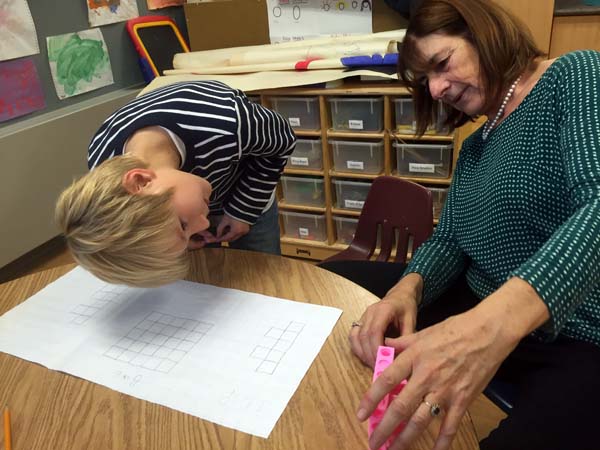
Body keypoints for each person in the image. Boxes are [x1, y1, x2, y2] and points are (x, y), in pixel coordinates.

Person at [346, 1, 600, 449]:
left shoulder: (574, 75)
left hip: (578, 334)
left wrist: (491, 324)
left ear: (482, 33)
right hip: (479, 298)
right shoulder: (478, 144)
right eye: (427, 80)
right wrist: (407, 289)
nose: (438, 88)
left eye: (441, 64)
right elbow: (449, 239)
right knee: (350, 296)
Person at [56, 80, 296, 287]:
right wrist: (180, 240)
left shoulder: (227, 121)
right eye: (186, 230)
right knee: (204, 281)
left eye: (183, 224)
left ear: (141, 181)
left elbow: (282, 141)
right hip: (199, 189)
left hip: (246, 189)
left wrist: (243, 211)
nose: (203, 225)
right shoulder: (106, 172)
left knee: (261, 269)